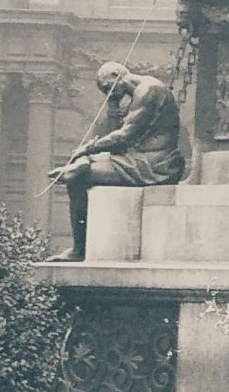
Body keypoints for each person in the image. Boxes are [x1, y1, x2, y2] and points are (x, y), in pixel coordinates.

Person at [45, 62, 185, 262]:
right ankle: (83, 162)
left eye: (107, 87)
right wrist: (113, 105)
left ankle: (79, 250)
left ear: (116, 73)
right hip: (139, 159)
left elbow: (124, 136)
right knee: (86, 161)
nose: (107, 93)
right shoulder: (134, 96)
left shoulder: (148, 90)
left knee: (78, 179)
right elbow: (117, 144)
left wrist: (87, 148)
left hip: (155, 164)